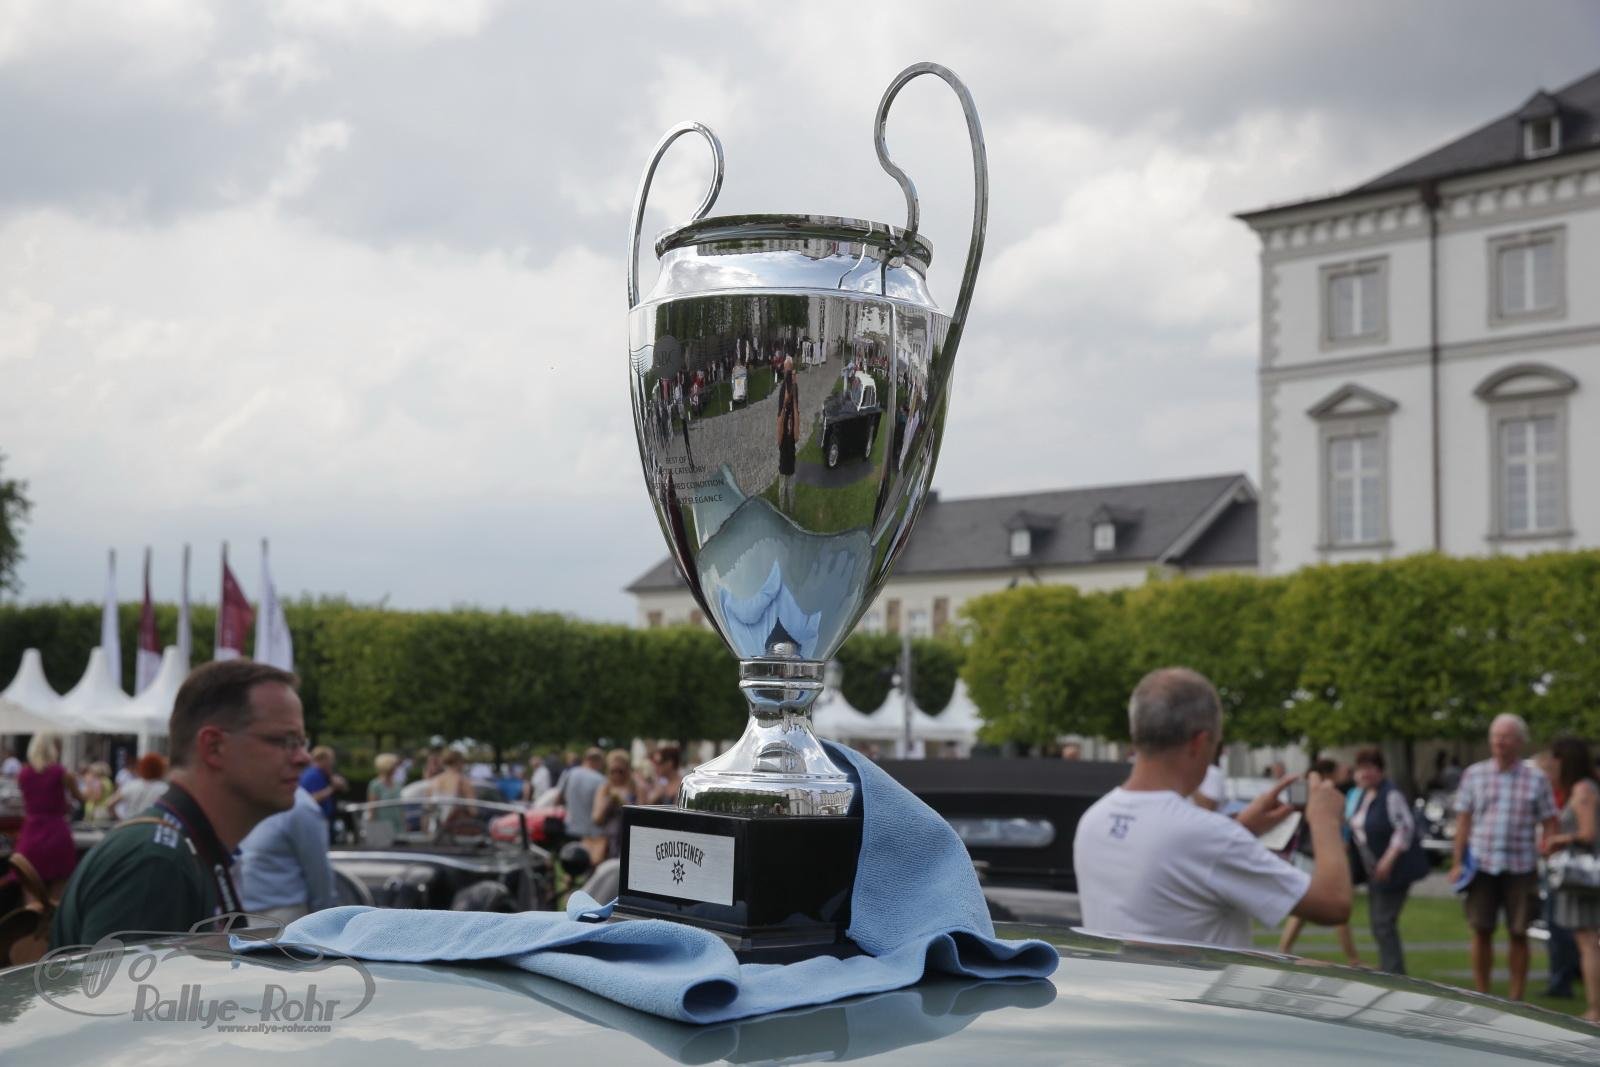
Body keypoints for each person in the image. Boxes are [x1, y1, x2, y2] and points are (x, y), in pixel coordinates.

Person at [1072, 667, 1351, 949]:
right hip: (1200, 981)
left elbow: (1178, 859)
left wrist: (1241, 828)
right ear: (1199, 742)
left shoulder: (1094, 819)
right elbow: (1333, 903)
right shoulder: (1207, 835)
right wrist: (1324, 819)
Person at [50, 660, 309, 948]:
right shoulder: (155, 864)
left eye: (302, 742)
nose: (303, 758)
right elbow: (120, 981)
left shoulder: (180, 851)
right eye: (285, 741)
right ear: (213, 747)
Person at [1449, 713, 1558, 1001]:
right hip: (1481, 864)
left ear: (1520, 742)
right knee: (1480, 929)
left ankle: (1516, 998)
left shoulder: (1536, 778)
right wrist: (1457, 862)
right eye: (1496, 736)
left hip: (1521, 866)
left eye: (1506, 736)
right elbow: (1463, 821)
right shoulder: (1474, 774)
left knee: (1519, 932)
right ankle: (1482, 994)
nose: (1499, 742)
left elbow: (1550, 819)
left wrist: (1548, 847)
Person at [1346, 747, 1426, 974]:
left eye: (1370, 768)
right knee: (1378, 923)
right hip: (1373, 868)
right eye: (1361, 769)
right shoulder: (1362, 795)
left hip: (1393, 869)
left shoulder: (1390, 794)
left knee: (1383, 922)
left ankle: (1395, 972)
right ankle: (1389, 967)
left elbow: (1405, 827)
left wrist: (1388, 859)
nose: (1364, 773)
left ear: (1380, 770)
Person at [1277, 757, 1362, 967]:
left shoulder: (1308, 788)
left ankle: (1283, 950)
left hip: (1306, 851)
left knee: (1304, 909)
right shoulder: (1323, 792)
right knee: (1333, 903)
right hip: (1314, 852)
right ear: (1328, 773)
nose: (1343, 773)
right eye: (1338, 770)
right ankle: (1353, 957)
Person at [1539, 734, 1600, 1023]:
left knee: (1588, 942)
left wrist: (1559, 839)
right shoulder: (1585, 786)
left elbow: (1588, 834)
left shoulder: (1582, 790)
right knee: (1587, 940)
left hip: (1584, 879)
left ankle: (1596, 1009)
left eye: (1556, 757)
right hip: (1583, 877)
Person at [238, 784, 336, 925]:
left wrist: (321, 924)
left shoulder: (300, 807)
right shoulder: (240, 797)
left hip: (282, 919)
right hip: (237, 918)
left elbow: (319, 874)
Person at [14, 734, 82, 907]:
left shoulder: (23, 774)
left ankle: (33, 923)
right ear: (54, 749)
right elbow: (80, 798)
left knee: (31, 900)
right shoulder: (61, 772)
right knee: (58, 899)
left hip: (30, 834)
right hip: (57, 833)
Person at [557, 748, 607, 864]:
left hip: (569, 827)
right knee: (585, 866)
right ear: (598, 761)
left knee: (569, 864)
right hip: (590, 832)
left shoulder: (569, 773)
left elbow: (559, 798)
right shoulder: (601, 780)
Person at [592, 749, 639, 862]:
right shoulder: (604, 789)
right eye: (612, 771)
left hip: (631, 841)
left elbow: (642, 818)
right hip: (608, 843)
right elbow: (596, 819)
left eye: (620, 771)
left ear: (627, 769)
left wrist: (623, 803)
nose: (616, 775)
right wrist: (608, 803)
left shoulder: (636, 788)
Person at [103, 752, 170, 822]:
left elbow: (109, 804)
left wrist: (119, 819)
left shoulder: (131, 785)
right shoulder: (164, 788)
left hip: (131, 823)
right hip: (152, 824)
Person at [426, 750, 478, 836]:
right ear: (459, 762)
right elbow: (473, 810)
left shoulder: (433, 782)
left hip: (434, 833)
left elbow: (427, 810)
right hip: (455, 834)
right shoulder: (463, 782)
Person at [299, 745, 347, 828]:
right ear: (322, 759)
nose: (333, 762)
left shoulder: (323, 774)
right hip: (314, 822)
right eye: (331, 759)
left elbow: (344, 788)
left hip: (322, 820)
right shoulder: (313, 775)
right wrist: (332, 788)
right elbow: (311, 799)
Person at [776, 355, 799, 510]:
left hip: (790, 444)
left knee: (790, 485)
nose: (788, 373)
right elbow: (780, 414)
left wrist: (794, 388)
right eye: (787, 370)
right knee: (783, 484)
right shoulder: (783, 388)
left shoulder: (794, 387)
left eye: (789, 370)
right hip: (784, 437)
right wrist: (785, 403)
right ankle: (782, 507)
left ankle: (789, 507)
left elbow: (796, 409)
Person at [366, 753, 405, 836]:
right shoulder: (375, 785)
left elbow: (400, 807)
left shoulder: (397, 784)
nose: (396, 768)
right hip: (382, 825)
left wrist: (404, 822)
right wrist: (371, 828)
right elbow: (372, 808)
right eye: (394, 765)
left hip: (398, 825)